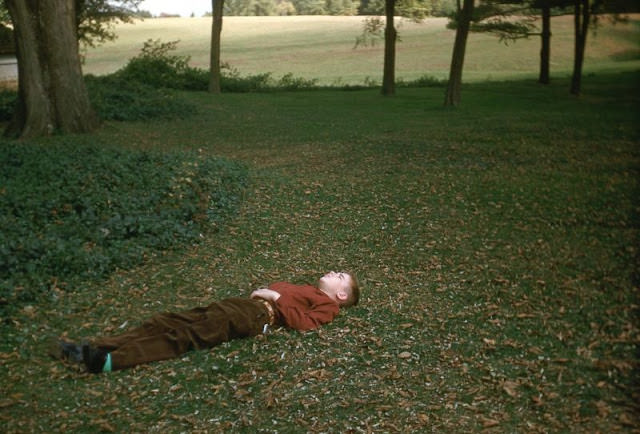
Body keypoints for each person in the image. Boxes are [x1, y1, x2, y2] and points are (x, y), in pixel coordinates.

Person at [50, 271, 360, 374]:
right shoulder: (308, 289)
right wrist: (269, 291)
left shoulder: (328, 306)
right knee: (167, 319)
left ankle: (109, 361)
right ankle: (91, 349)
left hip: (256, 316)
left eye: (339, 276)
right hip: (243, 305)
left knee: (187, 334)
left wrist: (274, 297)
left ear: (342, 294)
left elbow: (304, 323)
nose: (333, 273)